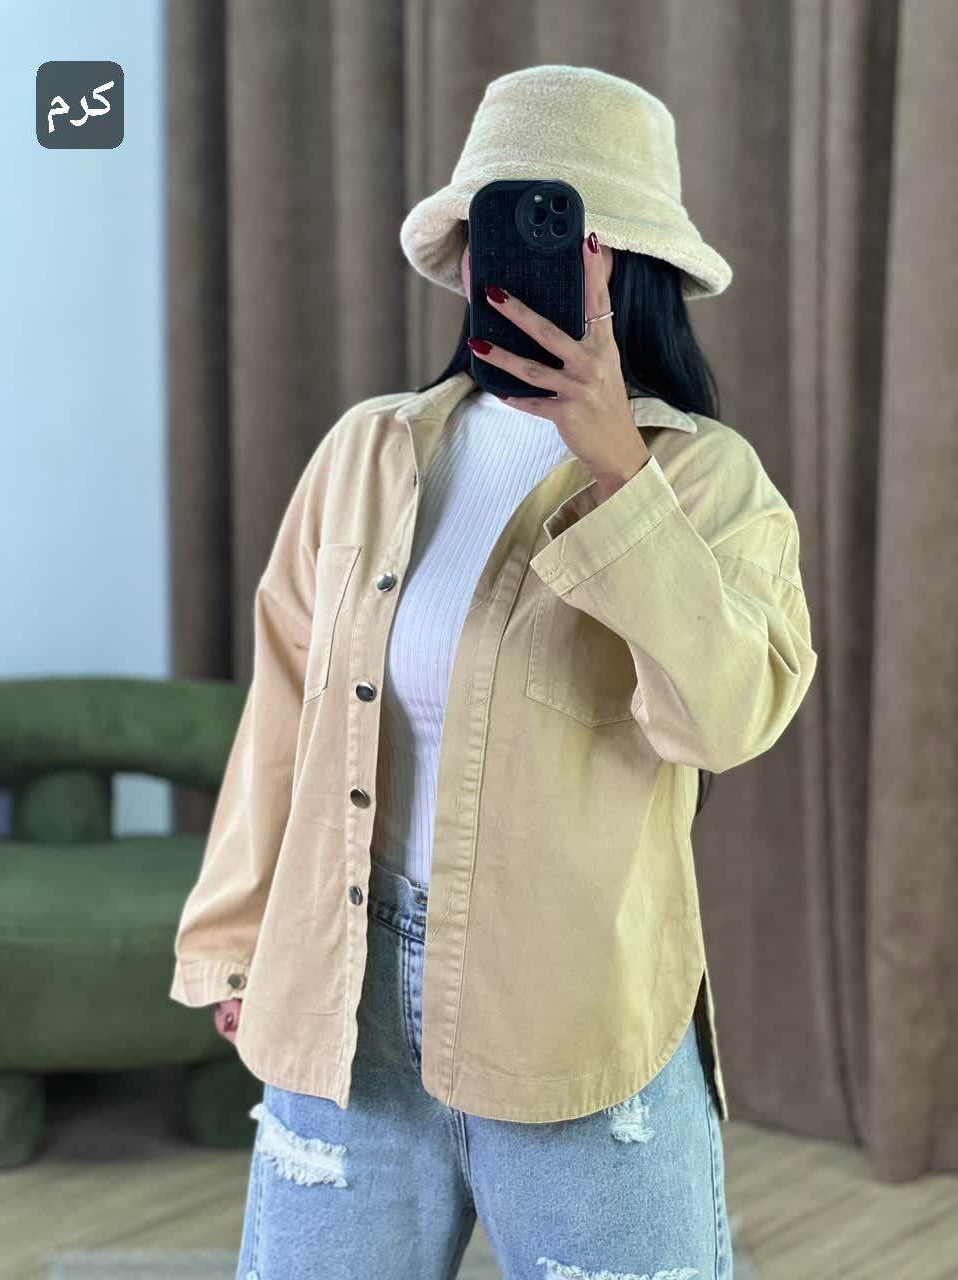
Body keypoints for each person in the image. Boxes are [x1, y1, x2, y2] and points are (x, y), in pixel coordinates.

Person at [171, 65, 817, 1280]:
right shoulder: (371, 449)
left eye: (560, 232)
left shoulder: (707, 481)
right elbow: (286, 706)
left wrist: (621, 471)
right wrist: (238, 934)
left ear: (622, 264)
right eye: (487, 228)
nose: (506, 261)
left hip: (578, 1020)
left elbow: (726, 720)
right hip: (344, 994)